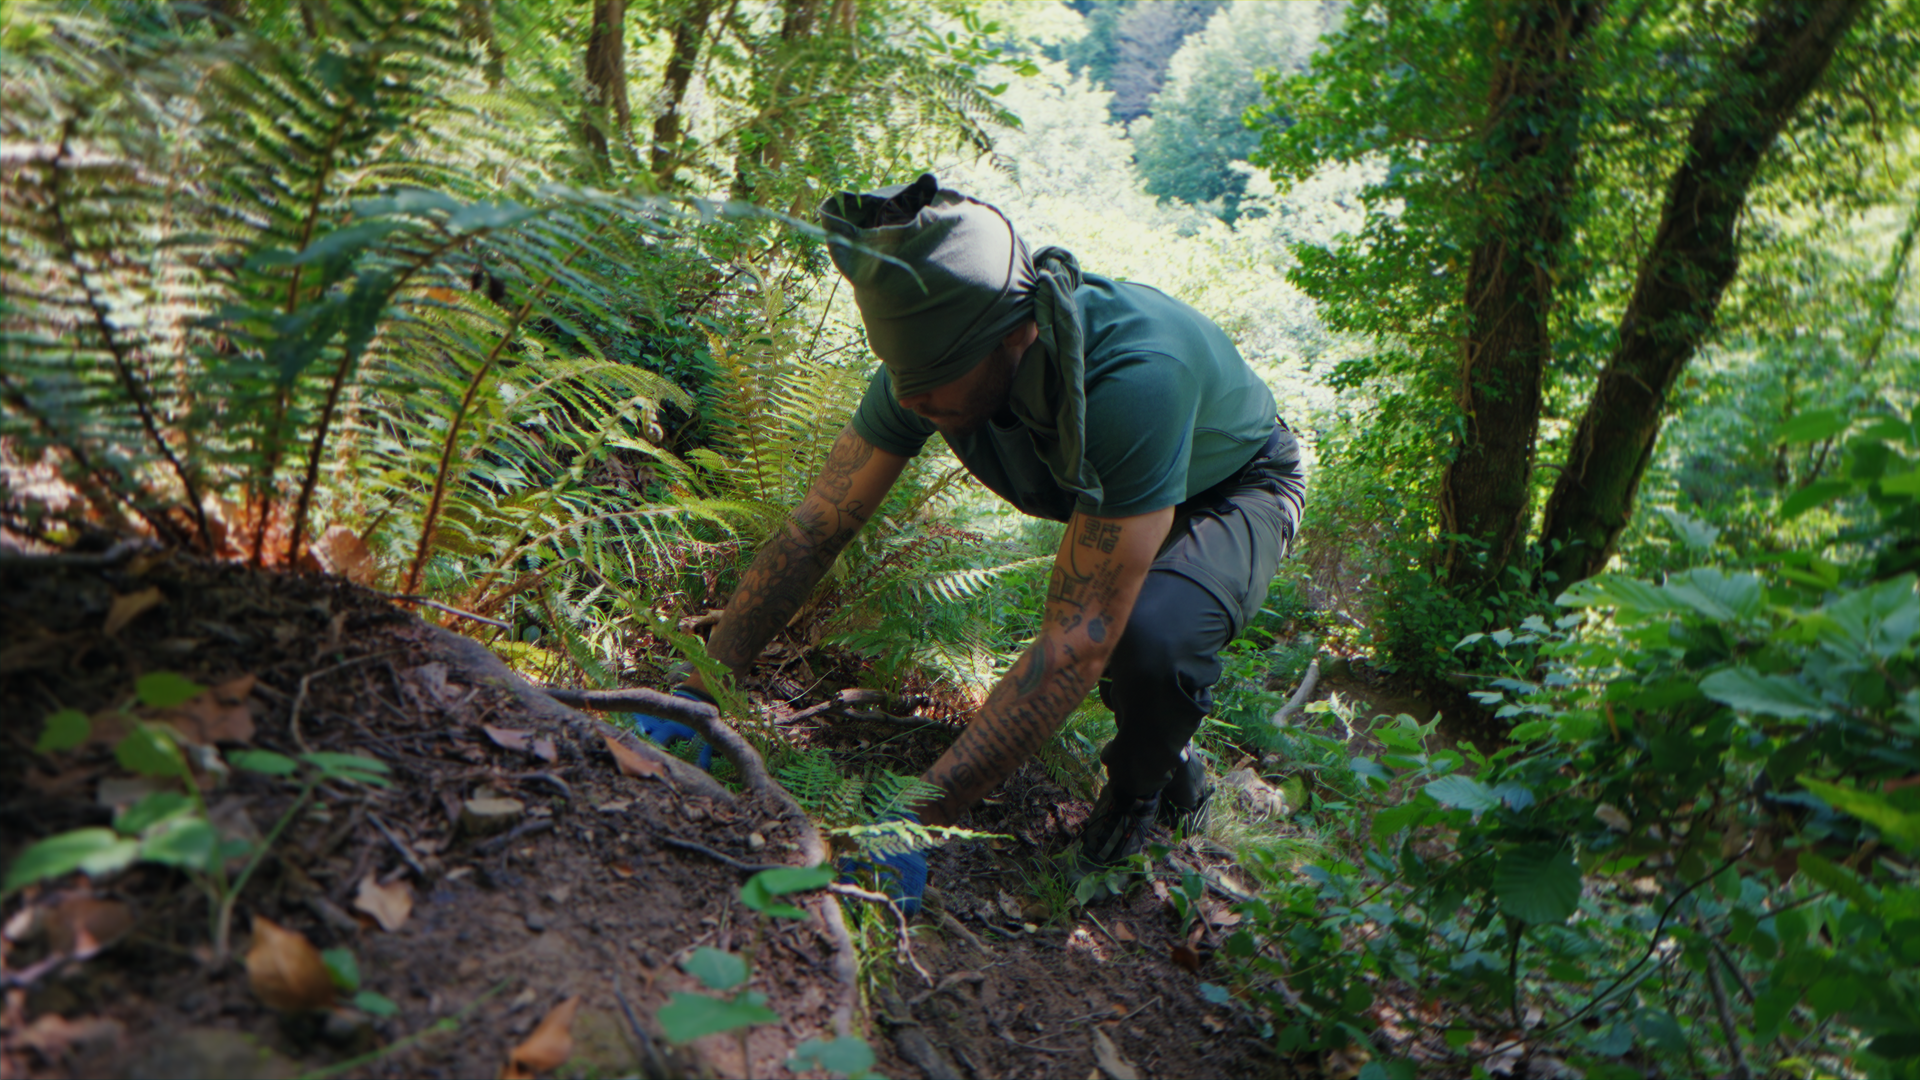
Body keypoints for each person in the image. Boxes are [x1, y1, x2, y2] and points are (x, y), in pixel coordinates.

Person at [646, 174, 1305, 911]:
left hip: (1233, 482)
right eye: (903, 380)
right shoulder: (925, 366)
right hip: (1114, 482)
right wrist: (697, 689)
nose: (912, 401)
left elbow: (1072, 642)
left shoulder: (1134, 379)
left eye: (933, 384)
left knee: (1150, 642)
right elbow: (816, 526)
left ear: (1012, 335)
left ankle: (1140, 786)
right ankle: (1158, 728)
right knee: (1123, 632)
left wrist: (916, 818)